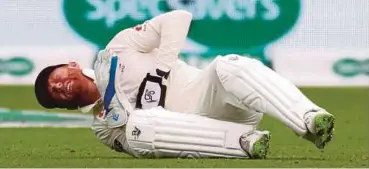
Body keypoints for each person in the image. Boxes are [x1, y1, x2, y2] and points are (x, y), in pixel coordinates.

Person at [34, 10, 334, 159]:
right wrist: (114, 101)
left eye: (55, 78)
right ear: (64, 104)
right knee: (139, 131)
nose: (59, 87)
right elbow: (143, 149)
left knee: (229, 64)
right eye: (54, 93)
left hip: (213, 99)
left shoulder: (118, 49)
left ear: (71, 65)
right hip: (201, 135)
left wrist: (161, 72)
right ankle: (244, 145)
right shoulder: (102, 127)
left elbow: (179, 17)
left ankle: (308, 119)